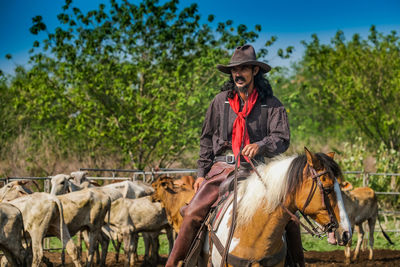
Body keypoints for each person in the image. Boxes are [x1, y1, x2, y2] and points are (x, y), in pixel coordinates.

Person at [166, 44, 302, 267]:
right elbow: (206, 139)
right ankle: (175, 263)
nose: (238, 73)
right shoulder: (220, 102)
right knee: (192, 213)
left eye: (244, 68)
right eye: (234, 70)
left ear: (255, 71)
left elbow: (282, 138)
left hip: (256, 170)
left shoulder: (271, 105)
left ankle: (296, 264)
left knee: (291, 219)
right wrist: (201, 173)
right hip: (222, 169)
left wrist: (261, 145)